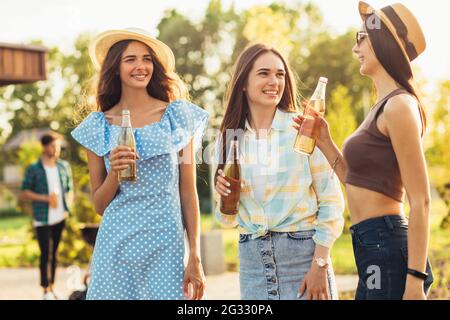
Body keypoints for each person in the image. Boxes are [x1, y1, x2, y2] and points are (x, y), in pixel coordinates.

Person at [294, 2, 434, 300]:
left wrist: (415, 282)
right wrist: (325, 141)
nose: (355, 47)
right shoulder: (381, 107)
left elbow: (420, 200)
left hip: (387, 245)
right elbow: (357, 184)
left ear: (384, 43)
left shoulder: (399, 107)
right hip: (371, 244)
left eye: (361, 37)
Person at [71, 28, 208, 300]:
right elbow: (99, 205)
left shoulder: (177, 116)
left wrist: (195, 255)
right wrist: (115, 176)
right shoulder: (99, 126)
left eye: (147, 59)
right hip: (116, 246)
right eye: (130, 59)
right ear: (116, 67)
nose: (141, 66)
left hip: (165, 246)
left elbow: (187, 192)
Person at [214, 43, 345, 300]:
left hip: (302, 259)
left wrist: (320, 264)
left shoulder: (304, 128)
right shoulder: (229, 139)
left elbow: (331, 200)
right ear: (243, 82)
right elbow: (227, 221)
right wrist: (225, 198)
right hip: (252, 264)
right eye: (263, 73)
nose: (274, 81)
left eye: (280, 74)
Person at [20, 132, 73, 300]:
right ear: (44, 147)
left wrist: (67, 206)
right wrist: (45, 198)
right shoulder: (34, 169)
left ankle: (53, 287)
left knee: (55, 253)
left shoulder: (63, 166)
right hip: (42, 217)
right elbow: (25, 192)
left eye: (57, 146)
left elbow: (69, 188)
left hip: (60, 217)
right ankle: (45, 290)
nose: (56, 150)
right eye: (53, 146)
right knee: (46, 254)